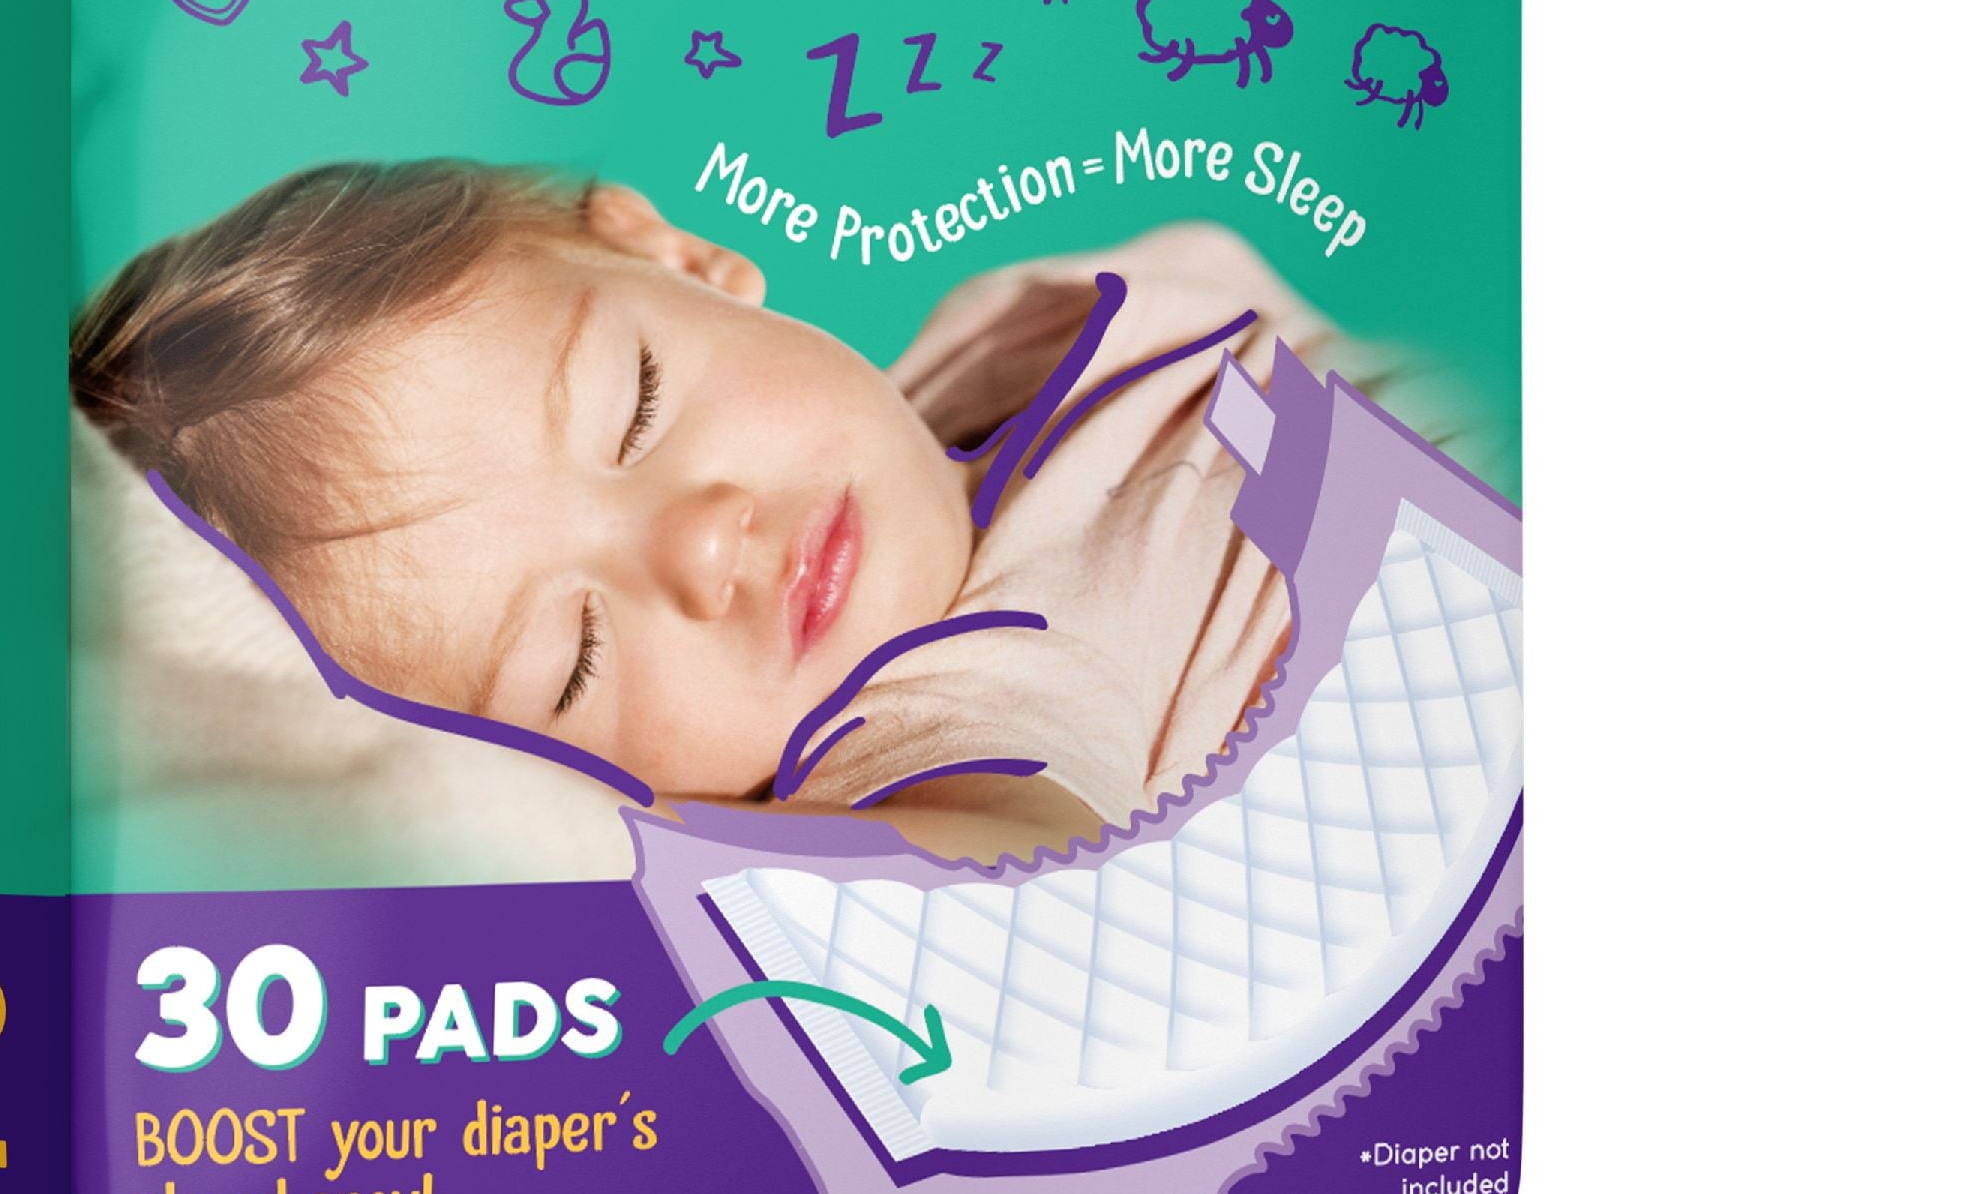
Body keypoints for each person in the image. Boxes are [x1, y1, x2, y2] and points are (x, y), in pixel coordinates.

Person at [71, 160, 1363, 851]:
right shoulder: (944, 708)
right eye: (577, 660)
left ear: (676, 256)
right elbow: (1007, 890)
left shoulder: (1010, 347)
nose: (699, 542)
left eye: (637, 406)